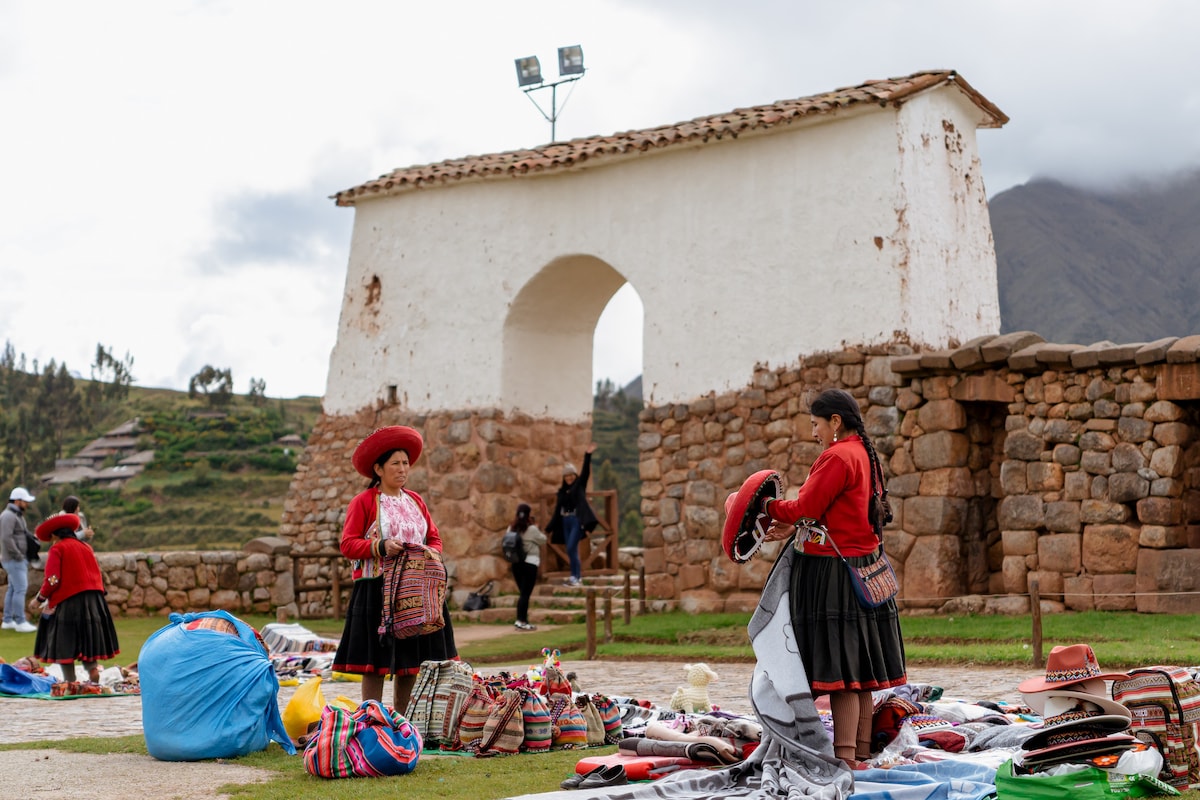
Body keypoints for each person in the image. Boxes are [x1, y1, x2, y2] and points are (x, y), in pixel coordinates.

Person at [758, 388, 906, 769]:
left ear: (835, 421)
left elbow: (806, 506)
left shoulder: (837, 456)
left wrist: (761, 505)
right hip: (861, 568)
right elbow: (834, 516)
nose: (813, 433)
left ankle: (843, 760)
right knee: (858, 674)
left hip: (834, 575)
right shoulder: (864, 455)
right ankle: (857, 754)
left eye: (816, 424)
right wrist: (789, 528)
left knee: (841, 674)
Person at [331, 425, 457, 712]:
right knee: (374, 662)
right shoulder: (363, 502)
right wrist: (381, 546)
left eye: (405, 464)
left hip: (415, 591)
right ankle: (372, 720)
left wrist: (428, 554)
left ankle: (402, 721)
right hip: (377, 589)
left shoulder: (416, 501)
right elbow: (348, 544)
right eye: (395, 464)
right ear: (378, 469)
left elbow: (434, 537)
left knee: (410, 663)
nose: (402, 469)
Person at [32, 513, 120, 682]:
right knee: (87, 636)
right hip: (94, 599)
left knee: (64, 639)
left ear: (56, 535)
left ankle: (70, 680)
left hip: (69, 599)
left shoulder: (57, 549)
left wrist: (40, 598)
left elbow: (53, 579)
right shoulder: (86, 547)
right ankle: (93, 671)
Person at [546, 442, 598, 587]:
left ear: (575, 475)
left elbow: (586, 472)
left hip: (576, 520)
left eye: (571, 475)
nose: (569, 478)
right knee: (571, 550)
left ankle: (577, 576)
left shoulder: (579, 485)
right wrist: (548, 528)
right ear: (563, 478)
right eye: (566, 476)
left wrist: (588, 455)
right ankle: (575, 577)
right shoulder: (562, 492)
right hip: (565, 521)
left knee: (570, 547)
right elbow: (557, 511)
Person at [1, 487, 39, 633]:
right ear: (17, 501)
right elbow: (6, 538)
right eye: (25, 501)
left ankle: (8, 620)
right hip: (14, 559)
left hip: (15, 558)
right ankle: (20, 621)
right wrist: (18, 555)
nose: (27, 504)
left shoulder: (15, 515)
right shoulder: (9, 516)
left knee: (13, 588)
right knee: (20, 589)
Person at [509, 503, 547, 631]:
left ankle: (522, 620)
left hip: (515, 565)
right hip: (530, 564)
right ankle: (521, 621)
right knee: (525, 594)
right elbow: (543, 540)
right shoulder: (532, 529)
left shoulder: (511, 528)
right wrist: (536, 527)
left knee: (523, 594)